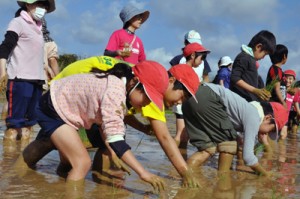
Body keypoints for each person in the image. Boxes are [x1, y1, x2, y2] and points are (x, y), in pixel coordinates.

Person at [18, 60, 202, 188]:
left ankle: (45, 185)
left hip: (66, 107)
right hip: (55, 108)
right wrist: (143, 173)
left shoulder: (123, 88)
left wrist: (114, 153)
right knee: (82, 163)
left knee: (68, 161)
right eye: (147, 98)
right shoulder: (116, 92)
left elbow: (109, 126)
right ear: (135, 82)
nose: (147, 104)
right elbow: (117, 139)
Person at [181, 82, 289, 176]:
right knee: (229, 144)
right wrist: (265, 174)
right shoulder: (254, 116)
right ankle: (223, 182)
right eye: (271, 130)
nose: (266, 134)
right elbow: (248, 157)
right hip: (207, 96)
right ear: (268, 117)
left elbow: (238, 138)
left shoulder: (249, 107)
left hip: (189, 96)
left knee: (207, 149)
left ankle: (184, 176)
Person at [0, 0, 55, 141]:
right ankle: (7, 161)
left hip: (37, 80)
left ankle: (23, 162)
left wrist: (48, 73)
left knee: (28, 127)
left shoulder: (39, 28)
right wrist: (2, 73)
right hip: (19, 79)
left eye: (45, 6)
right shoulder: (18, 22)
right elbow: (5, 47)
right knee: (14, 126)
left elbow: (37, 56)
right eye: (40, 5)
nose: (42, 9)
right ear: (28, 5)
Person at [170, 42, 211, 148]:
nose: (202, 61)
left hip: (182, 102)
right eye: (202, 58)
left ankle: (181, 155)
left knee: (184, 135)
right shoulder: (187, 71)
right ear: (193, 55)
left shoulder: (179, 68)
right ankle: (175, 156)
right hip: (180, 102)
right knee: (180, 135)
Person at [230, 30, 276, 102]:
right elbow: (234, 78)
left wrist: (261, 93)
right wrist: (255, 90)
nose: (263, 57)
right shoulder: (244, 57)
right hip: (240, 101)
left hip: (247, 101)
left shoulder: (250, 59)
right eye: (264, 54)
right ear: (258, 47)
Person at [41, 17, 59, 90]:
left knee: (52, 60)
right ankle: (45, 87)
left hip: (48, 40)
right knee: (44, 66)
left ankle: (59, 81)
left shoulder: (40, 14)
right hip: (41, 41)